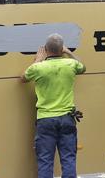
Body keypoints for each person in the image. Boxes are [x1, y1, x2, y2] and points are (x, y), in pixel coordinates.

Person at [21, 34, 86, 178]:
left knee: (45, 161)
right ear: (61, 49)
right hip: (67, 119)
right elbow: (83, 68)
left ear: (45, 49)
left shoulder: (38, 68)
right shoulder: (71, 64)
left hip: (45, 120)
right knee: (69, 160)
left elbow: (23, 78)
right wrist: (69, 52)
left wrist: (37, 60)